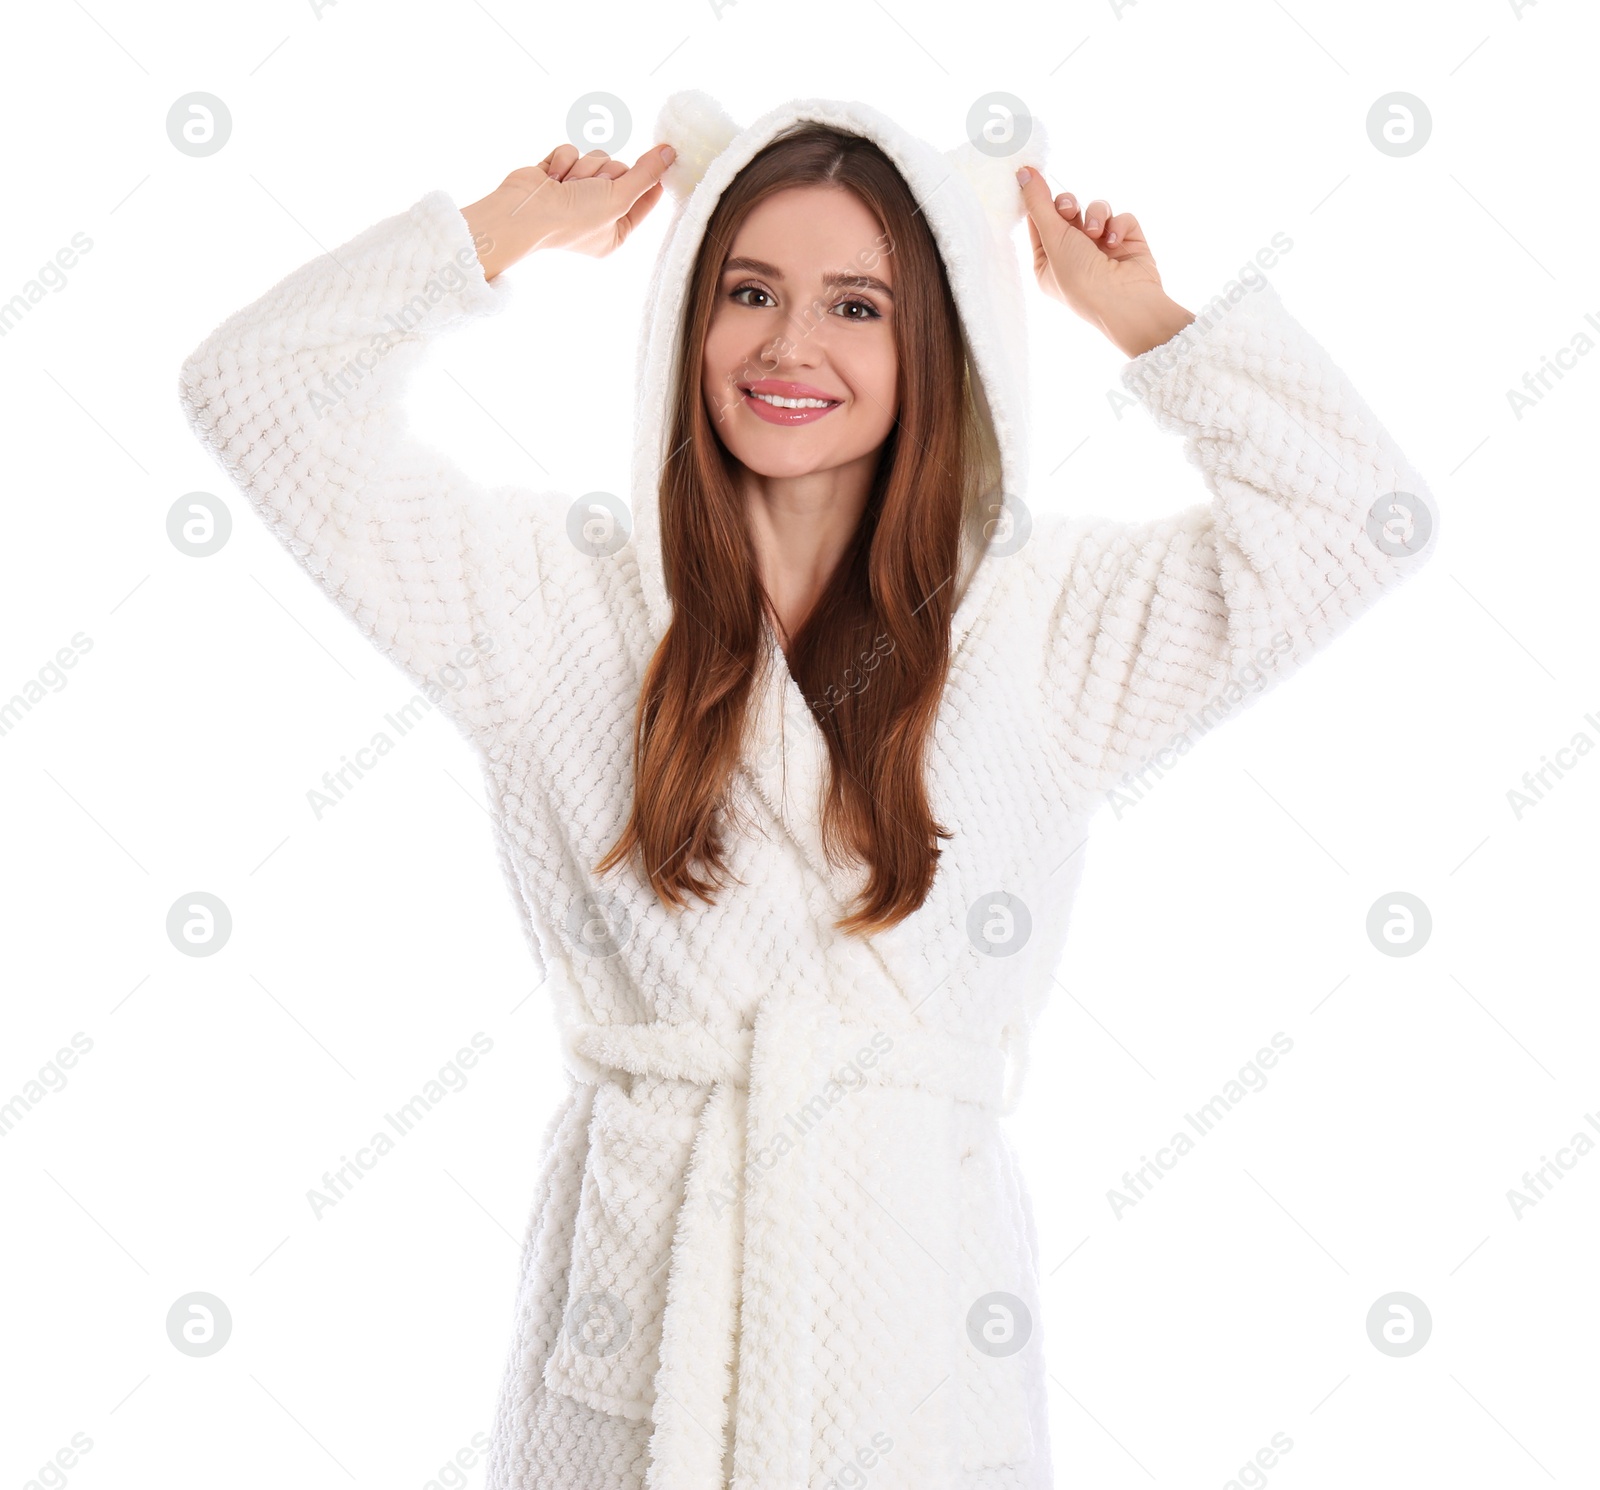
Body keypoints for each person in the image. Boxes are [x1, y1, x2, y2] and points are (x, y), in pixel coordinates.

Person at [178, 89, 1436, 1490]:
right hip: (640, 1349)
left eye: (858, 307)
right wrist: (505, 229)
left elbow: (1358, 519)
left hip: (918, 1357)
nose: (789, 344)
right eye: (750, 291)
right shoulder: (550, 602)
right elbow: (255, 392)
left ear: (938, 343)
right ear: (684, 320)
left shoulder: (1047, 624)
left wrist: (1143, 321)